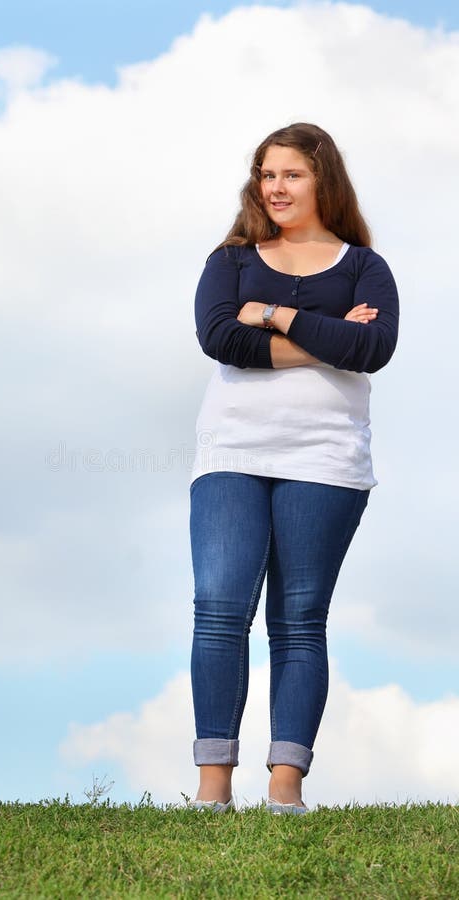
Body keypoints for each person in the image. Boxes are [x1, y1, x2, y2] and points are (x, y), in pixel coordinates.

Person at [188, 123, 399, 814]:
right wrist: (325, 335)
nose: (275, 187)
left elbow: (374, 348)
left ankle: (286, 789)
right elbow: (222, 338)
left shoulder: (365, 267)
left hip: (326, 457)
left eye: (292, 175)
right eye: (266, 174)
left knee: (299, 617)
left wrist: (274, 315)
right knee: (219, 608)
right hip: (233, 450)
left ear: (323, 181)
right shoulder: (233, 258)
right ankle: (212, 787)